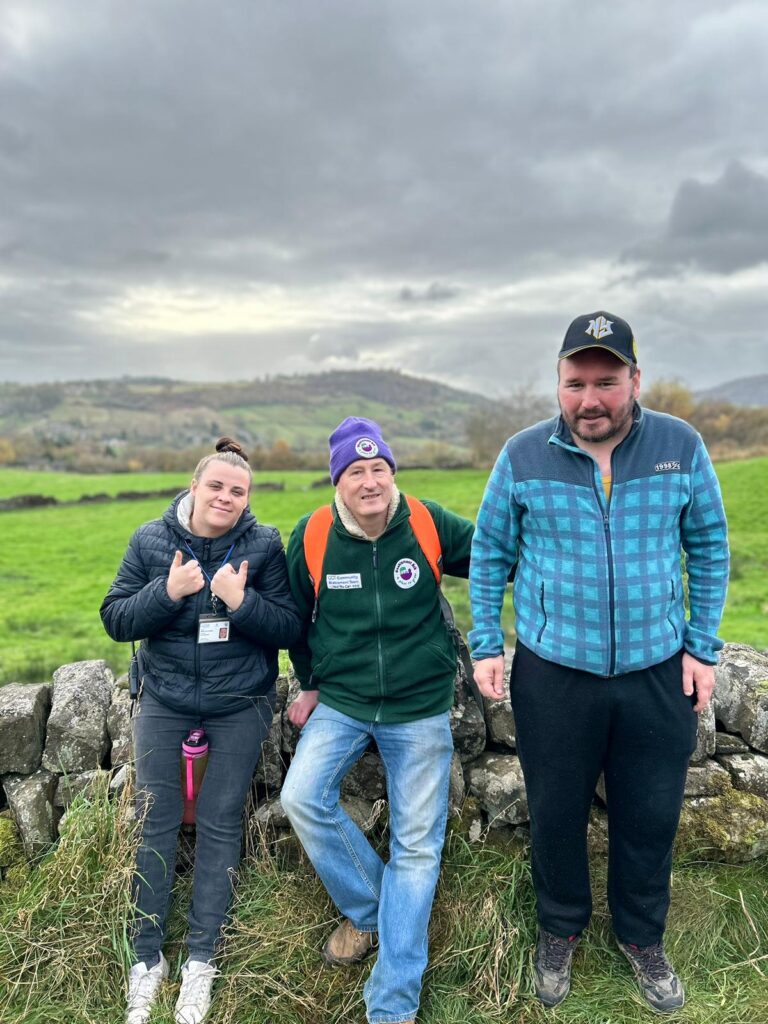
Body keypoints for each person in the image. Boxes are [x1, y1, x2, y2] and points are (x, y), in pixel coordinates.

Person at [469, 312, 729, 1014]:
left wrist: (702, 646)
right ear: (557, 384)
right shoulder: (523, 456)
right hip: (554, 673)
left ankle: (642, 938)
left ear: (634, 381)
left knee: (649, 814)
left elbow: (708, 544)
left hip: (656, 672)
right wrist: (487, 643)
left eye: (606, 381)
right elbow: (491, 551)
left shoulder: (680, 445)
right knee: (555, 813)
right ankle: (559, 929)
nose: (591, 398)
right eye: (576, 382)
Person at [280, 416, 474, 1024]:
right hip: (342, 700)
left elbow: (499, 553)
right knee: (301, 796)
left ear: (393, 472)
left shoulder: (427, 521)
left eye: (379, 469)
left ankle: (392, 1003)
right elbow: (296, 620)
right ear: (337, 480)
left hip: (419, 704)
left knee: (417, 847)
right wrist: (311, 684)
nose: (370, 482)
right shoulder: (311, 534)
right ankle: (372, 913)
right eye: (356, 472)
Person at [101, 437, 301, 1024]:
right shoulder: (150, 540)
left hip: (239, 701)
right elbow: (115, 618)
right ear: (194, 486)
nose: (227, 498)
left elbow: (288, 627)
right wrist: (168, 592)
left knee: (218, 822)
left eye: (238, 491)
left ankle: (200, 963)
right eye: (216, 486)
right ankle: (146, 961)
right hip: (163, 698)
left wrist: (241, 604)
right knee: (155, 820)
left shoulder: (263, 545)